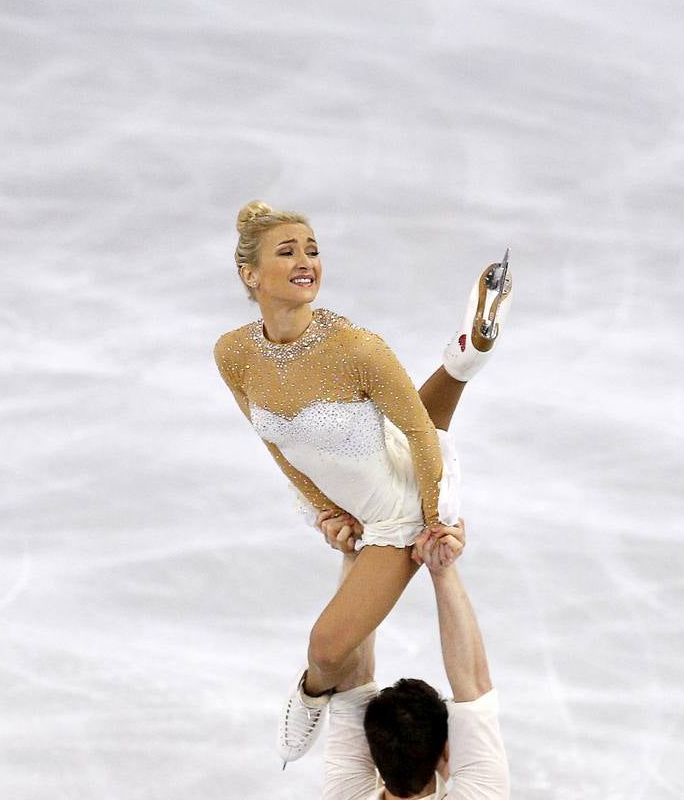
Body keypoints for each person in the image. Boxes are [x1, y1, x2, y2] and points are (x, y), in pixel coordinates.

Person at [212, 200, 513, 765]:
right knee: (389, 442)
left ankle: (308, 693)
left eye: (313, 250)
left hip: (396, 512)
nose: (307, 261)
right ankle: (462, 360)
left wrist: (433, 523)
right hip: (363, 473)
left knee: (327, 648)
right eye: (289, 251)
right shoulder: (233, 354)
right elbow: (273, 440)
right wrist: (324, 507)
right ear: (250, 276)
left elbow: (422, 438)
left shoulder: (356, 348)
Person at [320, 520, 509, 800]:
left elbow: (352, 679)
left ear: (373, 755)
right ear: (446, 752)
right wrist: (442, 569)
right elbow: (475, 689)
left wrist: (356, 558)